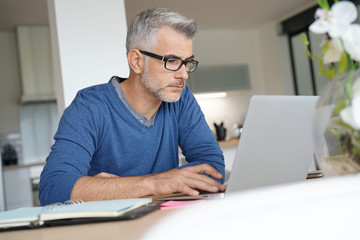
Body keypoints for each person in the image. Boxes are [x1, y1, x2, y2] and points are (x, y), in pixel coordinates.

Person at [39, 8, 225, 206]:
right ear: (136, 61)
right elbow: (54, 188)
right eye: (172, 61)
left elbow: (213, 168)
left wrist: (120, 189)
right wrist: (154, 184)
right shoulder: (89, 107)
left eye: (187, 62)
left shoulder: (181, 99)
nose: (184, 75)